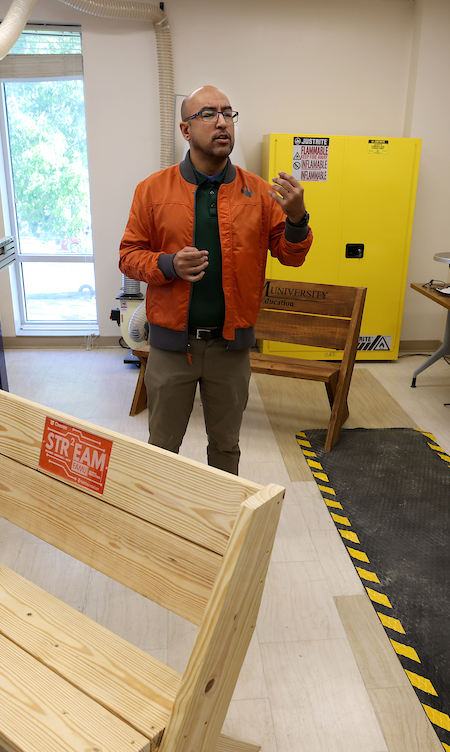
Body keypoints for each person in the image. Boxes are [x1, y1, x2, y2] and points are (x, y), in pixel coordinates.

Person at [119, 85, 313, 474]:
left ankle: (221, 526)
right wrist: (170, 264)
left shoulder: (258, 192)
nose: (222, 122)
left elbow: (291, 256)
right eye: (208, 114)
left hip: (231, 348)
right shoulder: (152, 190)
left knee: (226, 448)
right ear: (185, 130)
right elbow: (128, 256)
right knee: (162, 449)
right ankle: (160, 525)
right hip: (172, 348)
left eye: (228, 113)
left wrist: (296, 218)